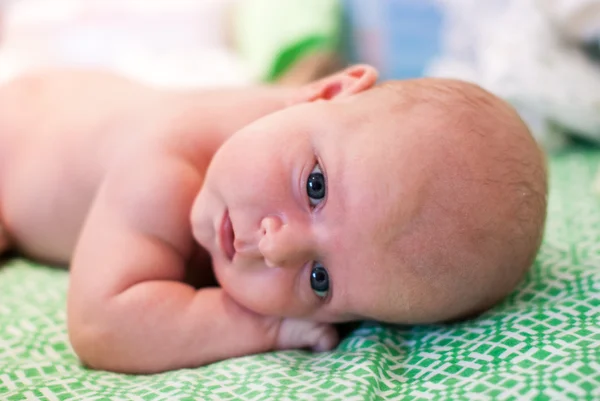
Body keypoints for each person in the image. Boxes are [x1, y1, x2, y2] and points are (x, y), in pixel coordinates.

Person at [0, 65, 547, 374]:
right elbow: (101, 326)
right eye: (314, 187)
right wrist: (268, 325)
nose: (276, 247)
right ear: (329, 90)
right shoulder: (161, 169)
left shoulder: (303, 134)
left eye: (320, 279)